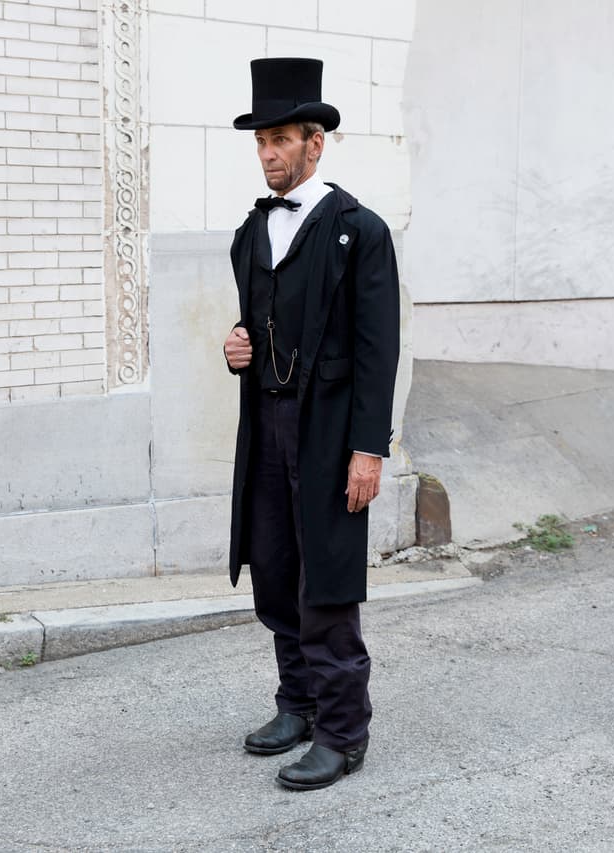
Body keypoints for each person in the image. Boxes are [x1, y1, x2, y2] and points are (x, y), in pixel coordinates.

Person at [222, 57, 401, 791]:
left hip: (330, 436)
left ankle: (343, 732)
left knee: (325, 582)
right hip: (266, 424)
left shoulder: (361, 231)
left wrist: (369, 449)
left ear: (314, 143)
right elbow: (259, 326)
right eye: (261, 140)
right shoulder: (248, 233)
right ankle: (295, 704)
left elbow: (376, 348)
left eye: (280, 140)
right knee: (275, 569)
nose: (268, 153)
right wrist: (239, 349)